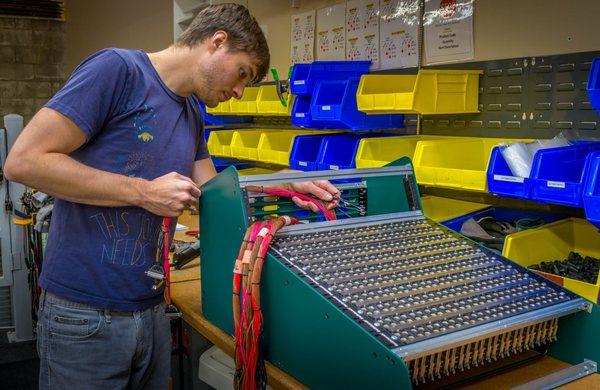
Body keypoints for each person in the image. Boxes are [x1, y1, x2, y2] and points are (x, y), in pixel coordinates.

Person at [3, 4, 338, 389]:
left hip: (151, 311)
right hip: (85, 316)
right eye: (242, 73)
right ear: (217, 42)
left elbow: (213, 195)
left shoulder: (191, 113)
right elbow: (24, 162)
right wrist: (143, 192)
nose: (239, 91)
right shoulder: (118, 70)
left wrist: (279, 182)